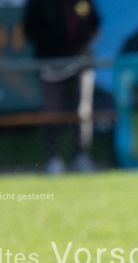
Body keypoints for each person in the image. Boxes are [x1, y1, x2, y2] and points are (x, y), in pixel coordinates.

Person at [23, 0, 101, 174]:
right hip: (51, 62)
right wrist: (55, 46)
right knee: (53, 112)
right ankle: (53, 158)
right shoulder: (40, 4)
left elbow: (94, 21)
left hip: (80, 60)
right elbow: (31, 29)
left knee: (82, 111)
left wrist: (84, 43)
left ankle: (80, 155)